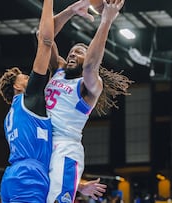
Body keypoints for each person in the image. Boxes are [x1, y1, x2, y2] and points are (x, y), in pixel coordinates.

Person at [46, 0, 131, 202]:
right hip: (42, 144)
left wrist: (106, 20)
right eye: (72, 51)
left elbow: (91, 66)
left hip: (64, 148)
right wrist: (69, 11)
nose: (73, 53)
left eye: (80, 52)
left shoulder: (90, 85)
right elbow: (44, 37)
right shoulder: (57, 70)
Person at [0, 0, 54, 201]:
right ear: (17, 86)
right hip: (29, 176)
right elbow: (46, 43)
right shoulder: (29, 97)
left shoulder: (10, 116)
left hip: (13, 176)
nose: (29, 77)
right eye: (24, 77)